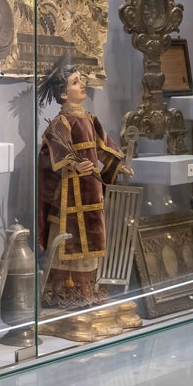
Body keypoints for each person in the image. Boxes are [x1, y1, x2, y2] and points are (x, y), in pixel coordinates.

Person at [37, 58, 124, 309]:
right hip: (69, 197)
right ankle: (66, 291)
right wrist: (73, 165)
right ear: (64, 93)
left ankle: (87, 291)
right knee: (69, 239)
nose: (82, 84)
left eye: (81, 79)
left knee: (92, 237)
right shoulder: (61, 123)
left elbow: (104, 147)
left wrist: (119, 164)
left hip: (91, 192)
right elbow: (51, 153)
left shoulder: (90, 118)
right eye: (75, 82)